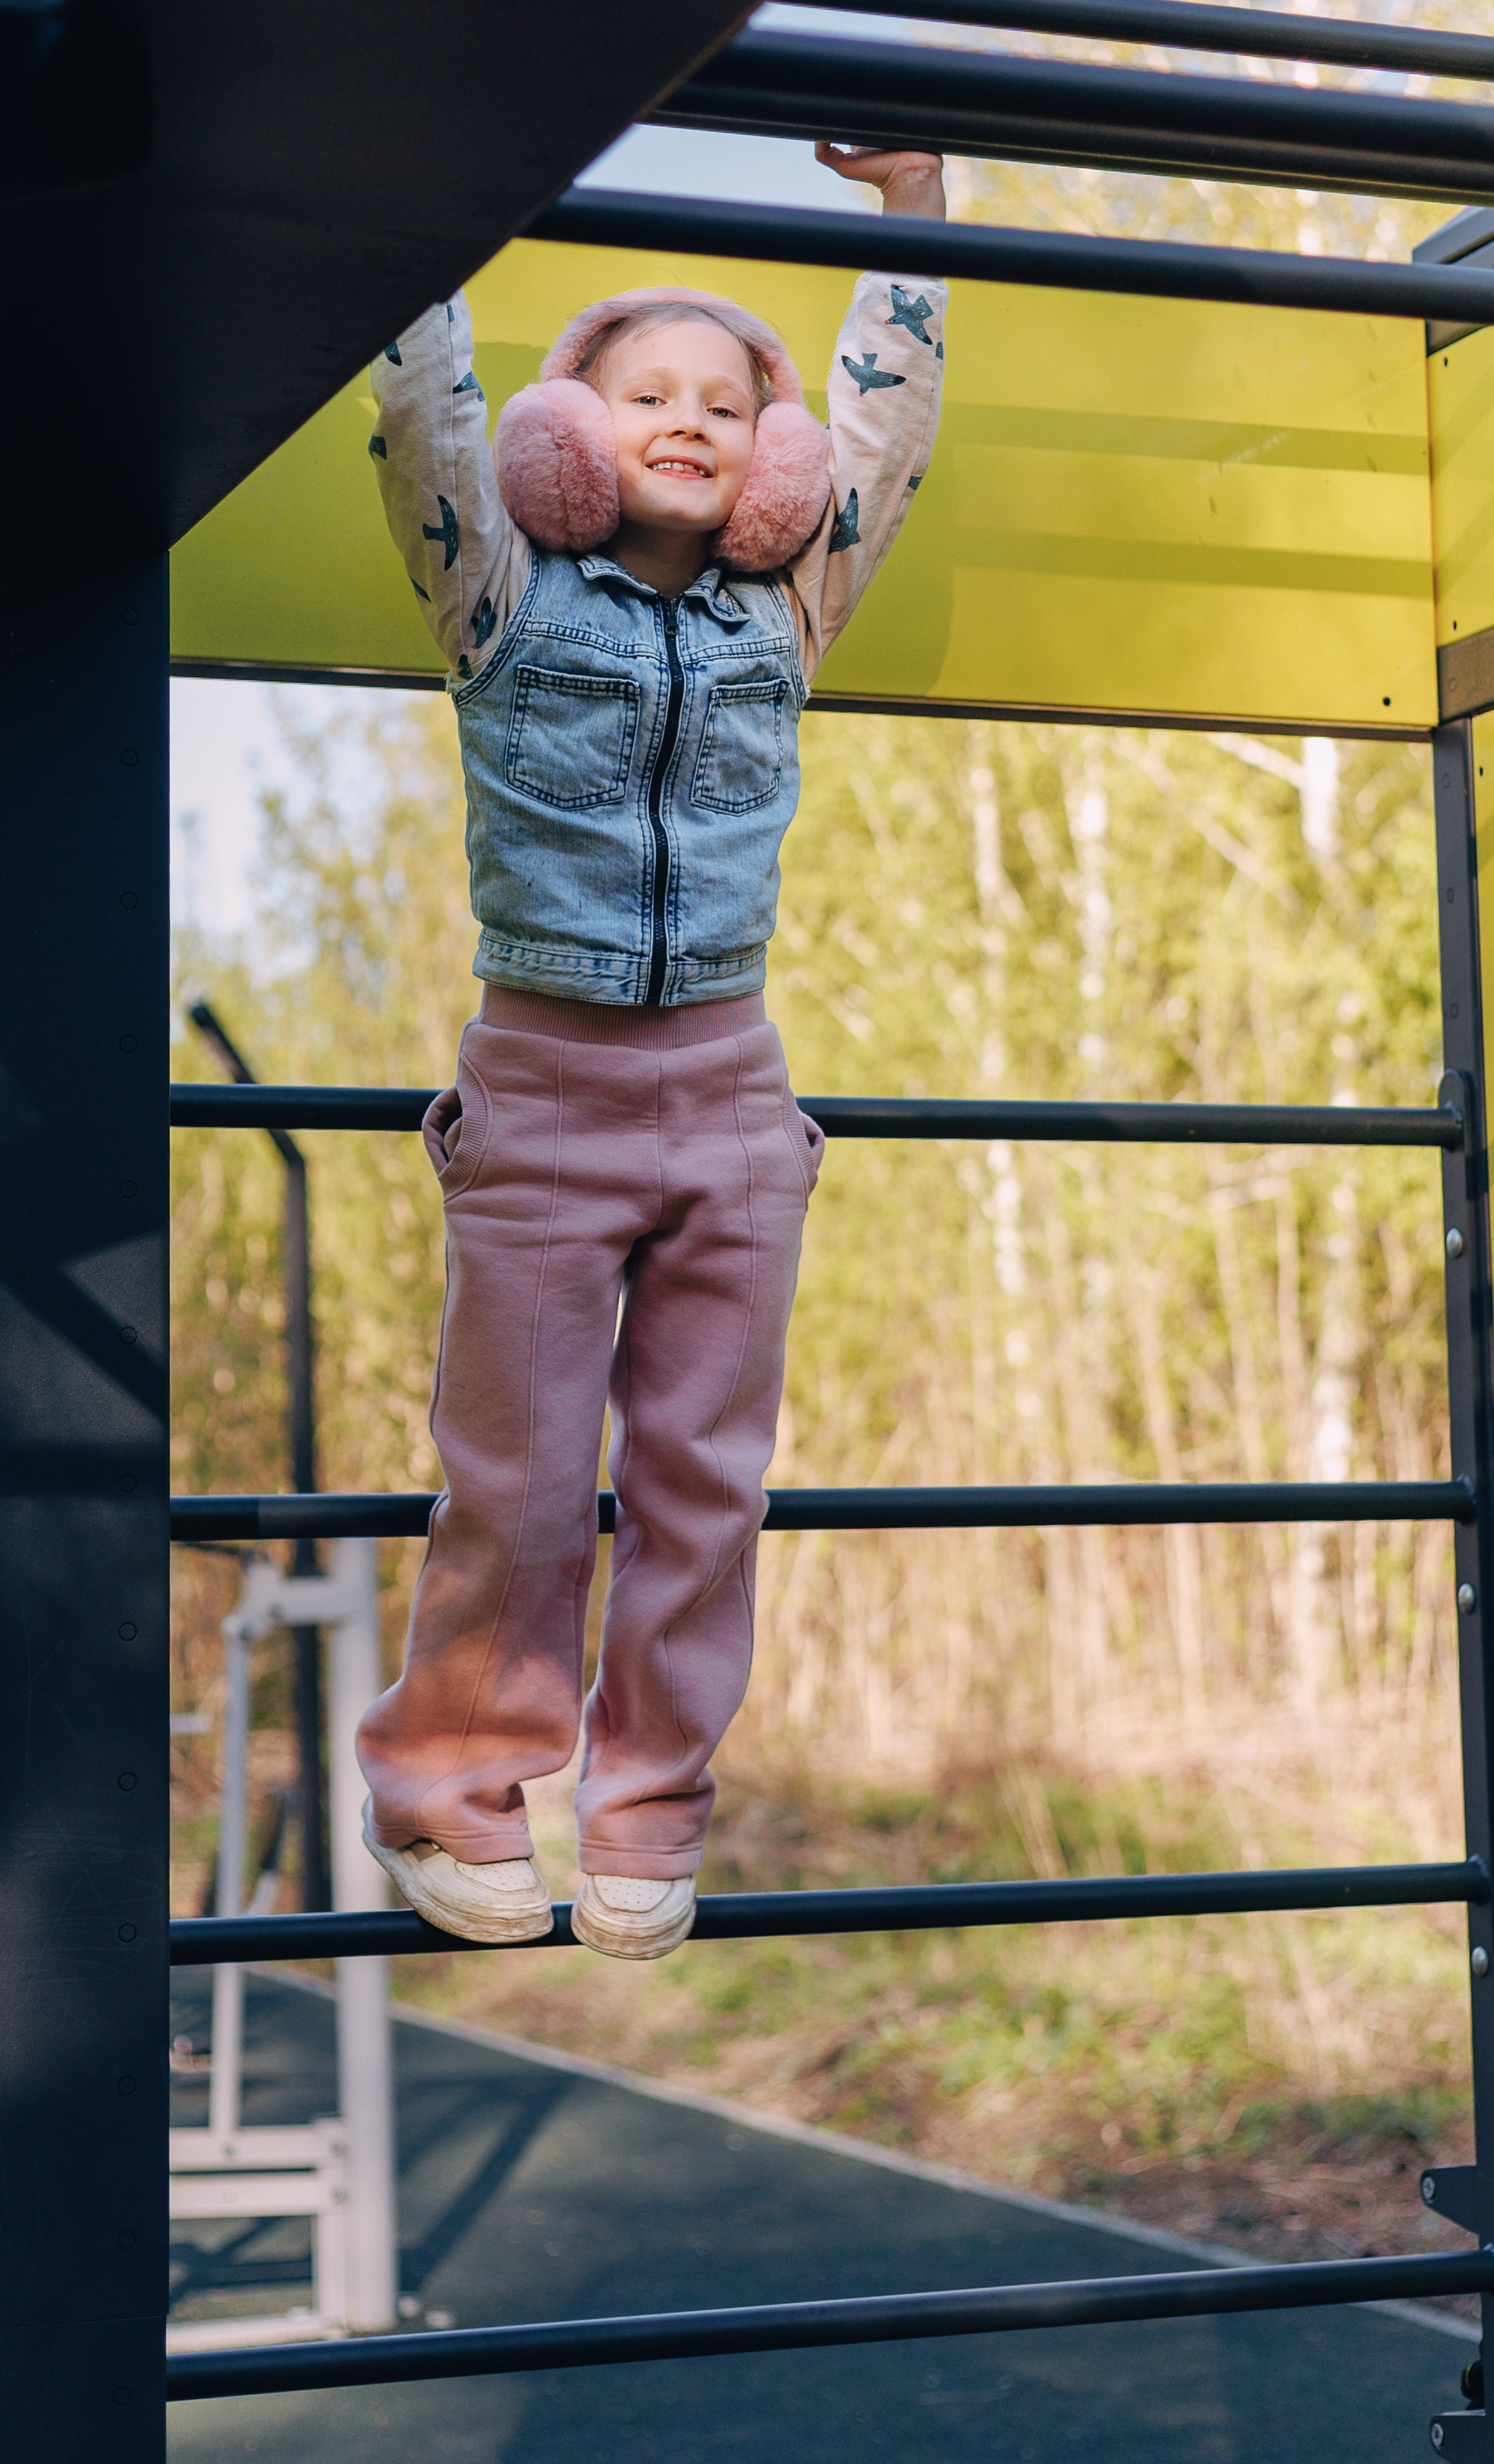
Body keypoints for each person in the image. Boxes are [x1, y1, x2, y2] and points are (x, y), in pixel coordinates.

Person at [354, 142, 947, 1955]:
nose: (686, 418)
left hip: (732, 1095)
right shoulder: (499, 591)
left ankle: (649, 1808)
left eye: (725, 398)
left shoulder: (792, 602)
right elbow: (421, 400)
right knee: (519, 1477)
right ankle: (449, 1788)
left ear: (772, 460)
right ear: (564, 434)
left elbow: (888, 422)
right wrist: (409, 129)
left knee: (704, 1478)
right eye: (641, 392)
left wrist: (915, 209)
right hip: (542, 1091)